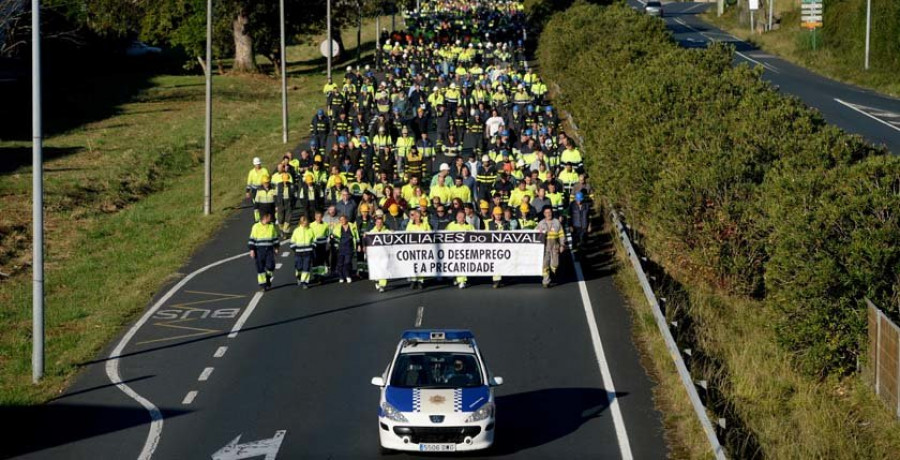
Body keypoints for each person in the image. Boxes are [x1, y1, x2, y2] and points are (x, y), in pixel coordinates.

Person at [248, 212, 279, 291]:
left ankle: (268, 277)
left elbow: (275, 237)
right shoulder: (256, 227)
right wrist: (252, 250)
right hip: (259, 250)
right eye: (269, 217)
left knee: (271, 266)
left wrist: (276, 247)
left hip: (269, 250)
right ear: (265, 218)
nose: (271, 218)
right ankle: (263, 285)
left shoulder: (271, 226)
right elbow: (252, 239)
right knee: (260, 267)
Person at [536, 206, 566, 288]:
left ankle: (553, 274)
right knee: (545, 265)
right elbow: (535, 235)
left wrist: (562, 245)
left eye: (549, 212)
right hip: (545, 248)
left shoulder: (557, 222)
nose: (548, 214)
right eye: (546, 213)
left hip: (555, 247)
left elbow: (561, 234)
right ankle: (546, 281)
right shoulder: (541, 223)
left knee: (555, 264)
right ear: (544, 214)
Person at [445, 210, 474, 288]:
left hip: (465, 250)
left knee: (462, 265)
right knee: (454, 265)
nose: (461, 219)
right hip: (453, 249)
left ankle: (462, 281)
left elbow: (475, 237)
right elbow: (445, 236)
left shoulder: (469, 226)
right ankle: (456, 278)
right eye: (459, 217)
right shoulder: (451, 225)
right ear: (456, 217)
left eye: (462, 217)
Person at [405, 210, 432, 289]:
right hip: (413, 248)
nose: (417, 217)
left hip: (423, 248)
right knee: (413, 264)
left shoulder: (425, 224)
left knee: (421, 264)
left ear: (421, 216)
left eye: (418, 216)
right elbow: (406, 234)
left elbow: (430, 233)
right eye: (415, 216)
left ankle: (420, 281)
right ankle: (413, 280)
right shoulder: (410, 225)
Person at [290, 216, 317, 289]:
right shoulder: (296, 231)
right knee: (299, 267)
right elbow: (292, 241)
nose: (306, 224)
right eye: (304, 222)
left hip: (308, 253)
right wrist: (295, 249)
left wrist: (312, 247)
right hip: (298, 253)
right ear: (301, 223)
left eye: (306, 222)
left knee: (306, 267)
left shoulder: (310, 230)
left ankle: (305, 282)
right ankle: (299, 276)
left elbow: (314, 240)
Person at [331, 215, 359, 283]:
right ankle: (341, 276)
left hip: (349, 247)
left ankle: (348, 276)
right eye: (341, 220)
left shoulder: (352, 226)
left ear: (346, 219)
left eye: (343, 219)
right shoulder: (337, 227)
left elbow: (356, 236)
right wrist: (332, 237)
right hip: (340, 248)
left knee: (347, 262)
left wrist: (358, 245)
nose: (342, 221)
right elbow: (333, 237)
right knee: (340, 263)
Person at [367, 213, 391, 292]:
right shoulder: (372, 232)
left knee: (384, 269)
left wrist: (393, 232)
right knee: (377, 270)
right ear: (375, 223)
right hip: (375, 255)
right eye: (378, 222)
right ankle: (377, 281)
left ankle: (382, 285)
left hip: (384, 254)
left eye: (381, 223)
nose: (379, 224)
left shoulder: (387, 231)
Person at [272, 163, 293, 233]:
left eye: (287, 180)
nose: (286, 182)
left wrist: (292, 203)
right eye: (285, 180)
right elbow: (275, 195)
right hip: (280, 203)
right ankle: (282, 229)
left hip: (288, 203)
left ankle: (285, 231)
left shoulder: (291, 186)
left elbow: (293, 195)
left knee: (288, 218)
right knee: (280, 219)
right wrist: (276, 205)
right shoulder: (279, 186)